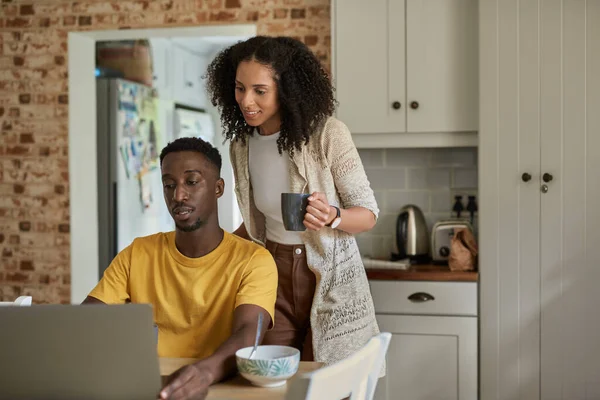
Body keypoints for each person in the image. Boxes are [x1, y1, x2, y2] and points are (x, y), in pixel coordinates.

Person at [205, 36, 382, 368]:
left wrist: (332, 216)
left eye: (260, 90)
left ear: (286, 89)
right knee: (269, 375)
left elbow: (368, 214)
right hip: (270, 270)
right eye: (240, 88)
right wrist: (212, 254)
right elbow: (257, 225)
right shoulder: (241, 146)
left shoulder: (328, 134)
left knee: (328, 381)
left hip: (327, 277)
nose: (246, 100)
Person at [83, 137, 278, 400]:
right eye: (169, 185)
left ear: (218, 188)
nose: (178, 195)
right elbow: (87, 321)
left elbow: (248, 334)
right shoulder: (138, 253)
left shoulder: (254, 260)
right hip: (150, 389)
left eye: (192, 182)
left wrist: (204, 374)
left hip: (218, 388)